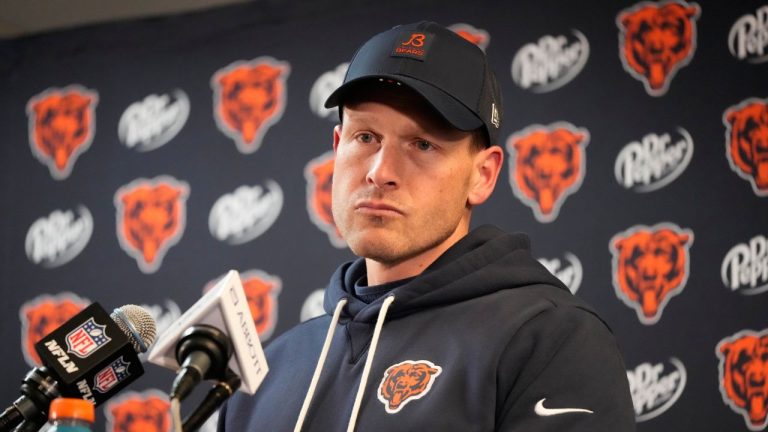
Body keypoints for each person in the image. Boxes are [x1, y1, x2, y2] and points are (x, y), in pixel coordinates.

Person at [218, 21, 636, 431]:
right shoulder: (268, 374)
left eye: (422, 144)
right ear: (336, 147)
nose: (380, 172)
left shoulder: (550, 339)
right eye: (365, 137)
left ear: (483, 175)